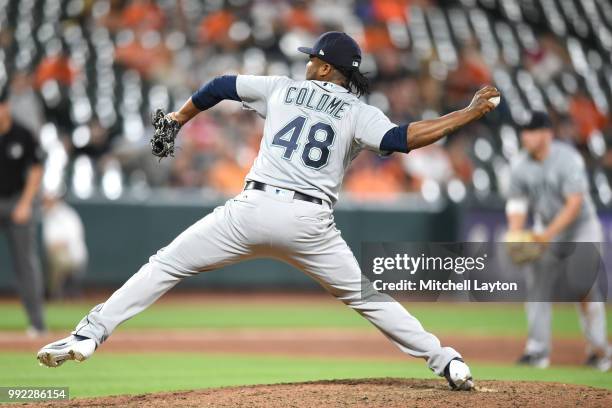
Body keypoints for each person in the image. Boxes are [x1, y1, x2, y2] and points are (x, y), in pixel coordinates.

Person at [37, 32, 499, 389]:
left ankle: (89, 334)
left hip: (252, 208)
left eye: (312, 57)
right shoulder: (359, 112)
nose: (307, 61)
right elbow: (405, 139)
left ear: (324, 66)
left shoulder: (281, 88)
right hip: (310, 223)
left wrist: (178, 119)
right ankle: (447, 361)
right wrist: (467, 113)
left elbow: (218, 86)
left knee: (165, 265)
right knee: (368, 298)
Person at [506, 111, 611, 372]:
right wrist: (516, 232)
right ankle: (537, 351)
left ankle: (599, 350)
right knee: (537, 286)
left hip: (581, 228)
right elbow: (517, 203)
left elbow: (574, 204)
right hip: (547, 229)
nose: (526, 136)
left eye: (531, 131)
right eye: (524, 131)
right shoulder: (519, 164)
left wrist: (546, 235)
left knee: (582, 285)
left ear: (546, 133)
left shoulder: (567, 158)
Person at [0, 90, 46, 337]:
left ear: (6, 106)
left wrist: (26, 204)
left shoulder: (22, 133)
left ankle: (37, 324)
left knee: (26, 265)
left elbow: (36, 169)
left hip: (16, 200)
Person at [42, 193, 88, 299]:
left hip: (73, 255)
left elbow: (71, 239)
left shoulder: (65, 214)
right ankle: (55, 293)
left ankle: (56, 294)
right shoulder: (48, 214)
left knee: (58, 257)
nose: (45, 203)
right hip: (59, 256)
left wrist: (56, 246)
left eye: (48, 200)